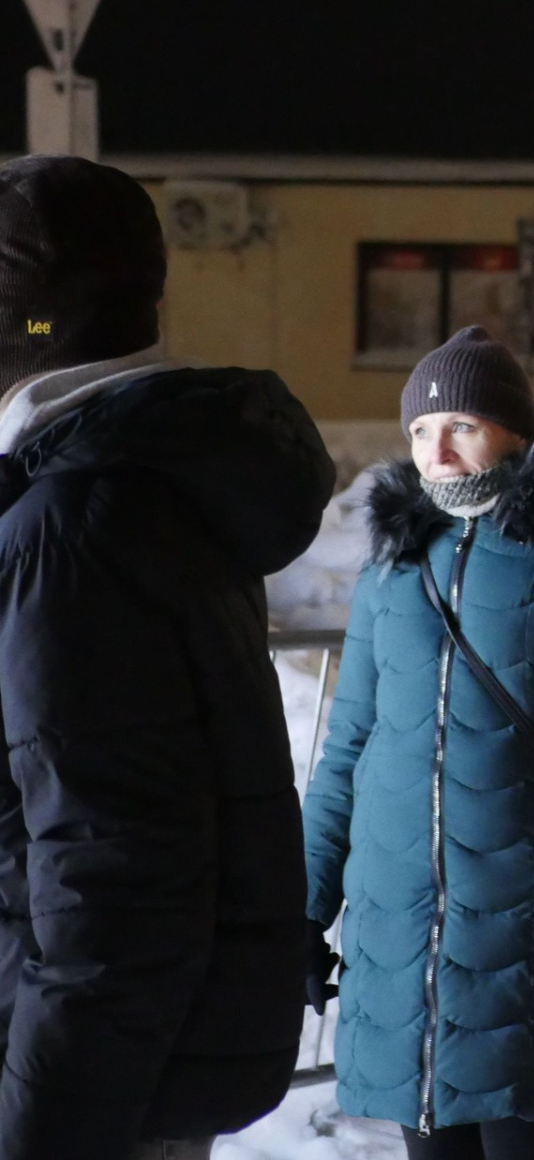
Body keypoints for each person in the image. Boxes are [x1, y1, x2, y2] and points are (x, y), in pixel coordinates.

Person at [0, 155, 334, 1160]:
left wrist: (41, 1130)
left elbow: (111, 872)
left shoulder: (74, 522)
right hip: (131, 1061)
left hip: (84, 1084)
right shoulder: (144, 477)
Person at [302, 326, 534, 1159]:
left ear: (514, 432)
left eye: (461, 425)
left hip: (525, 913)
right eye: (420, 430)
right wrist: (306, 905)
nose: (437, 451)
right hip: (395, 924)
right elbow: (348, 747)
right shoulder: (393, 564)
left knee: (522, 1136)